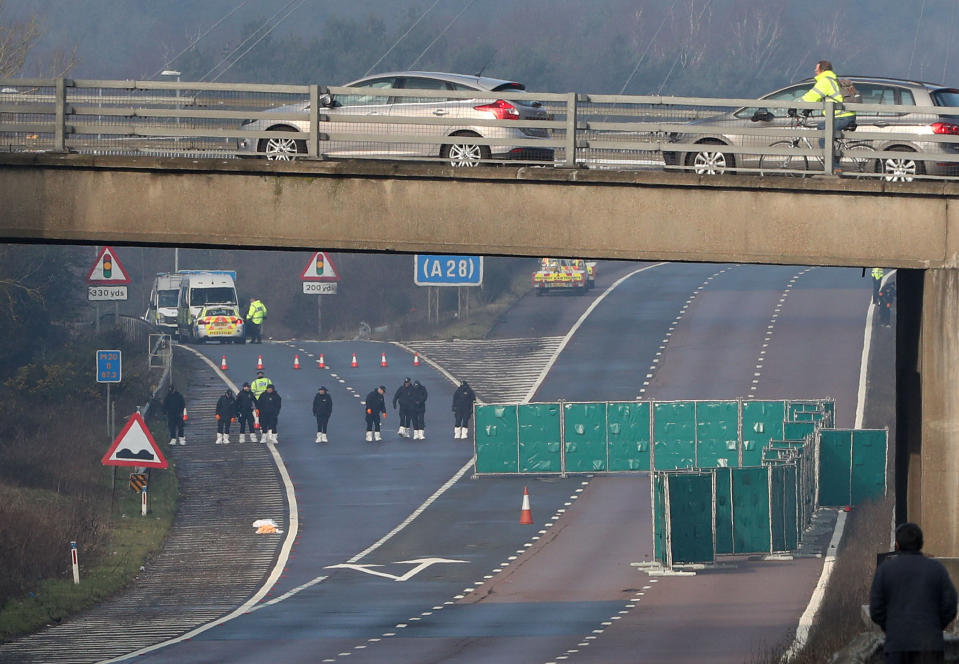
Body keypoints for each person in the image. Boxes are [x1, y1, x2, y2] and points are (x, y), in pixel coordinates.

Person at [870, 522, 957, 663]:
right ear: (921, 543)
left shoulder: (885, 570)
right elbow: (950, 605)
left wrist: (892, 627)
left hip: (897, 645)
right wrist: (935, 625)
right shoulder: (937, 569)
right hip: (930, 645)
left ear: (897, 544)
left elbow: (876, 610)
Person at [800, 60, 856, 172]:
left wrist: (795, 105)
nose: (815, 71)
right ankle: (833, 158)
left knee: (822, 130)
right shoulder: (832, 79)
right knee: (826, 132)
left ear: (822, 70)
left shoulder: (825, 81)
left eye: (816, 69)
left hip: (841, 116)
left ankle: (834, 166)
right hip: (847, 115)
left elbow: (811, 96)